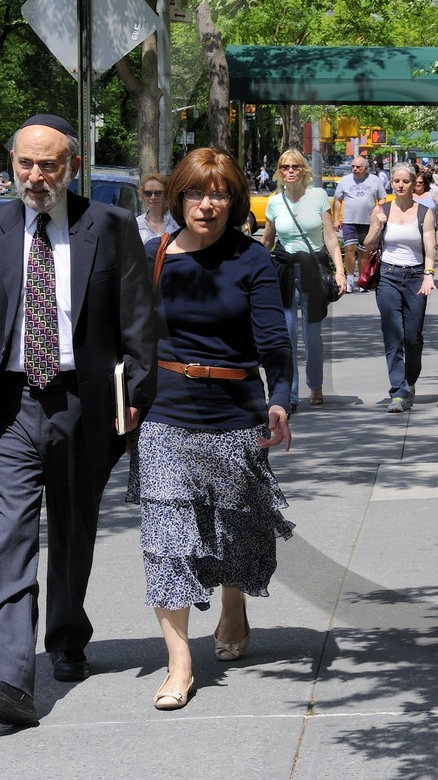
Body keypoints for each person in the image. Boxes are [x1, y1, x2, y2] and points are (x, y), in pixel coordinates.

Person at [0, 114, 158, 729]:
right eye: (26, 164)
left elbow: (139, 315)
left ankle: (65, 634)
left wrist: (139, 388)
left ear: (72, 167)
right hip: (7, 407)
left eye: (50, 165)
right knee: (11, 538)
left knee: (72, 527)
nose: (36, 177)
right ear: (11, 162)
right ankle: (7, 677)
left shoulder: (109, 227)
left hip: (80, 403)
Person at [134, 147, 294, 711]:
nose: (209, 204)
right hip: (165, 416)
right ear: (178, 198)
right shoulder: (153, 257)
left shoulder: (252, 260)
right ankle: (180, 663)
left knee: (236, 528)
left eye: (221, 193)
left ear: (234, 200)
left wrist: (280, 401)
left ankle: (233, 604)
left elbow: (273, 339)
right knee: (167, 541)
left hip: (234, 412)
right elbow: (132, 337)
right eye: (198, 193)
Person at [262, 149, 346, 410]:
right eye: (285, 167)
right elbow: (266, 241)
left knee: (312, 335)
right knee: (287, 335)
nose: (290, 171)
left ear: (304, 170)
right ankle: (290, 393)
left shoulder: (319, 196)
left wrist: (340, 271)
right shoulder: (275, 202)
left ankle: (316, 385)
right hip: (284, 270)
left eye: (295, 166)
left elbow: (330, 237)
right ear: (279, 171)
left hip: (312, 270)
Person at [363, 163, 437, 413]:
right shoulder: (381, 210)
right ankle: (397, 391)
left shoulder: (424, 212)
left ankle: (410, 381)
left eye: (406, 181)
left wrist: (428, 275)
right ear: (391, 183)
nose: (401, 185)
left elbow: (429, 247)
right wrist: (377, 226)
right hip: (388, 276)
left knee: (413, 338)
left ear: (414, 183)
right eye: (396, 181)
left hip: (416, 277)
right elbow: (368, 244)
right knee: (393, 335)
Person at [334, 155, 383, 292]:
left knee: (364, 252)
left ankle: (363, 280)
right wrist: (336, 218)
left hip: (368, 222)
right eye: (353, 167)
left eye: (358, 167)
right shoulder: (345, 181)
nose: (355, 169)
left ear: (365, 168)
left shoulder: (375, 181)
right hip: (350, 221)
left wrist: (379, 215)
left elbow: (382, 199)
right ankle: (349, 280)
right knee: (349, 249)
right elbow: (338, 200)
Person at [136, 172, 179, 244]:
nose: (153, 197)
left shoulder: (177, 222)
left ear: (167, 194)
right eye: (148, 193)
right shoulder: (137, 223)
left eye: (158, 193)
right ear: (143, 195)